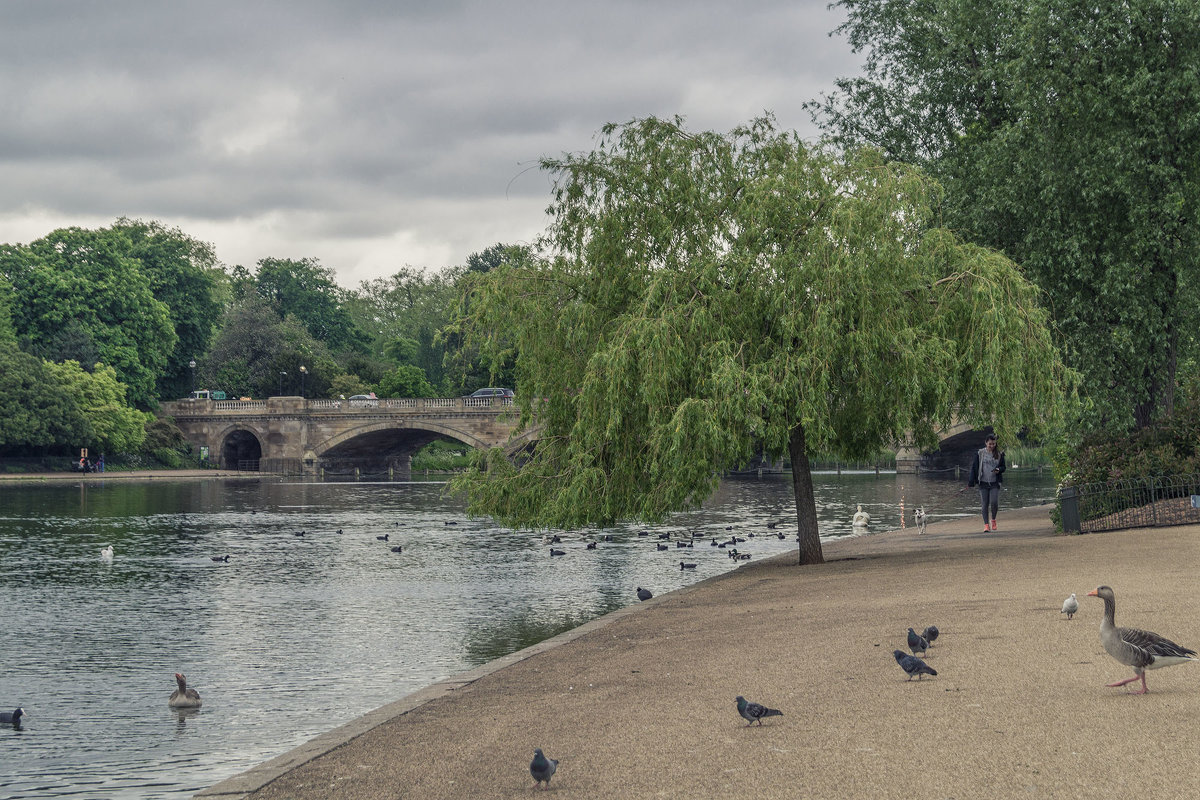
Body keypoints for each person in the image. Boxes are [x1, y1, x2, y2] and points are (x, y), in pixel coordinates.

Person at [967, 433, 1005, 532]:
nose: (992, 446)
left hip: (994, 483)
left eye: (993, 444)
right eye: (990, 444)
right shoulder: (980, 453)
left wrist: (998, 469)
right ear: (986, 443)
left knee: (994, 502)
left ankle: (993, 519)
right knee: (985, 503)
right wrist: (971, 481)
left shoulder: (999, 454)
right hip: (983, 482)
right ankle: (986, 525)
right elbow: (974, 467)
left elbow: (1003, 467)